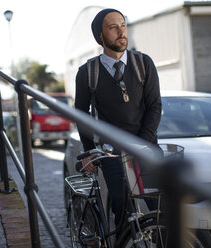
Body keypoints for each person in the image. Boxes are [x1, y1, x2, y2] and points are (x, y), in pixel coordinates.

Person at [74, 9, 162, 231]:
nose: (121, 32)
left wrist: (142, 144)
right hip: (111, 155)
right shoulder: (87, 72)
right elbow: (82, 115)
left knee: (160, 211)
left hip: (146, 149)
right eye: (113, 27)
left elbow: (154, 107)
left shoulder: (144, 63)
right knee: (122, 212)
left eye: (123, 25)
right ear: (100, 35)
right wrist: (89, 152)